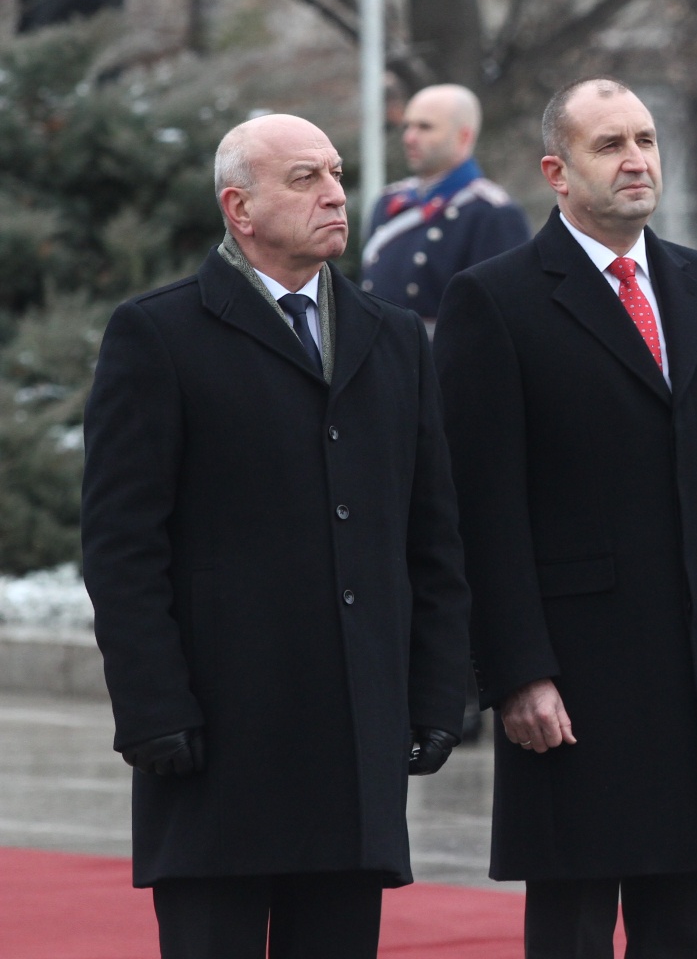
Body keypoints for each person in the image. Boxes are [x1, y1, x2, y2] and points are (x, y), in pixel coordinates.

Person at [434, 78, 697, 959]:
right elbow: (482, 510)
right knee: (573, 929)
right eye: (609, 145)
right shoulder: (495, 300)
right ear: (557, 172)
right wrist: (517, 672)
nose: (636, 159)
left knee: (690, 928)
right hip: (577, 679)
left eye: (645, 139)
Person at [81, 114, 471, 959]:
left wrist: (439, 693)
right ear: (239, 208)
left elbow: (432, 538)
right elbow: (122, 545)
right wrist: (152, 706)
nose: (335, 194)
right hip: (218, 746)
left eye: (335, 174)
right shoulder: (159, 333)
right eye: (305, 178)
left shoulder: (392, 336)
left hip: (353, 752)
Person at [362, 83, 530, 333]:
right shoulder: (389, 201)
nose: (409, 138)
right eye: (408, 126)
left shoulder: (492, 213)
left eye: (425, 127)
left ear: (464, 137)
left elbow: (500, 318)